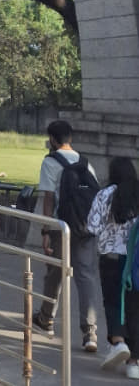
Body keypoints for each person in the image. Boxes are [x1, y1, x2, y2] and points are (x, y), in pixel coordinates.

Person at [33, 119, 101, 352]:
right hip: (86, 227)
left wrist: (46, 230)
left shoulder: (51, 162)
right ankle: (90, 333)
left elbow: (48, 198)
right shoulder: (85, 163)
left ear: (52, 139)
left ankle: (46, 318)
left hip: (62, 227)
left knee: (55, 272)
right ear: (70, 138)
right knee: (86, 276)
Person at [86, 156, 139, 371]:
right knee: (134, 308)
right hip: (135, 260)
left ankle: (118, 341)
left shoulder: (105, 195)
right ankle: (134, 362)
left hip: (111, 258)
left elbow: (93, 227)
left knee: (113, 301)